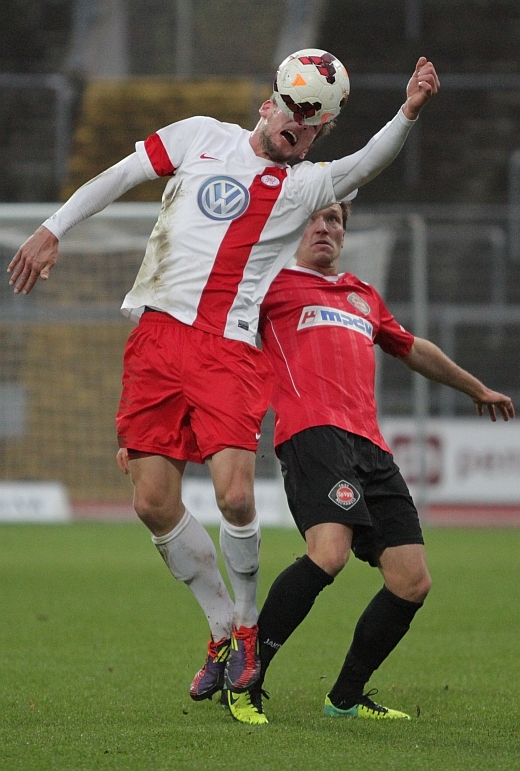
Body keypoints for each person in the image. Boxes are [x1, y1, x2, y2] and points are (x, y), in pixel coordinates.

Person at [7, 54, 440, 702]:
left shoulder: (302, 187)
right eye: (294, 110)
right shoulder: (200, 136)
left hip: (228, 347)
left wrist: (407, 112)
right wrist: (52, 228)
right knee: (152, 503)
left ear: (315, 137)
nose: (299, 126)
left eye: (313, 124)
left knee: (236, 496)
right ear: (268, 104)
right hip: (156, 338)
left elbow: (364, 165)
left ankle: (246, 626)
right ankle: (219, 627)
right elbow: (122, 174)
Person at [225, 200, 515, 724]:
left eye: (334, 219)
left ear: (344, 233)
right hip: (312, 434)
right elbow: (218, 344)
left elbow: (412, 348)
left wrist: (476, 388)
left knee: (412, 580)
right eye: (313, 218)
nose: (324, 227)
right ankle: (245, 678)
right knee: (329, 554)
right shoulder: (269, 285)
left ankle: (345, 696)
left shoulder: (362, 295)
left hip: (370, 445)